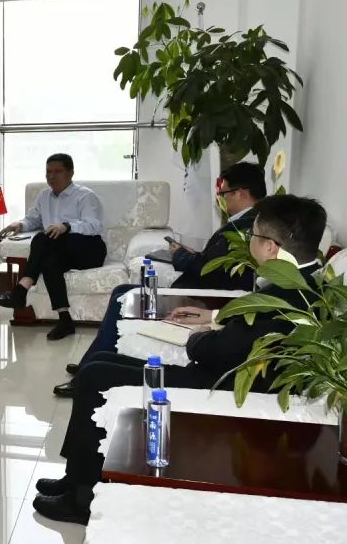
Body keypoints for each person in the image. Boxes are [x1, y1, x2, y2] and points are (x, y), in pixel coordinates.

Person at [33, 194, 327, 524]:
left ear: (271, 247)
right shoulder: (303, 283)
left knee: (95, 376)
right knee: (98, 360)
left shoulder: (287, 295)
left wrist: (197, 336)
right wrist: (214, 316)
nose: (250, 243)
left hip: (223, 387)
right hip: (225, 373)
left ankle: (83, 497)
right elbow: (253, 325)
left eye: (254, 236)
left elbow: (219, 349)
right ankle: (76, 477)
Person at [56, 161, 267, 393]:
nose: (221, 200)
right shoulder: (256, 223)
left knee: (121, 297)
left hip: (200, 300)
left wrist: (180, 256)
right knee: (122, 293)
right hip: (201, 293)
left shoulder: (244, 228)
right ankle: (91, 364)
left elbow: (209, 269)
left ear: (241, 193)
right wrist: (194, 254)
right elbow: (217, 263)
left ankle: (88, 374)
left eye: (224, 193)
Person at [0, 153, 106, 340]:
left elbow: (93, 225)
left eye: (58, 171)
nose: (52, 176)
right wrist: (19, 225)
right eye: (48, 172)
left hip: (89, 249)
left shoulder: (85, 196)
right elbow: (33, 219)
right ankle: (65, 320)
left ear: (70, 173)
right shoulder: (44, 196)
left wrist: (66, 226)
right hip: (59, 249)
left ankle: (20, 292)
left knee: (42, 238)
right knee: (50, 262)